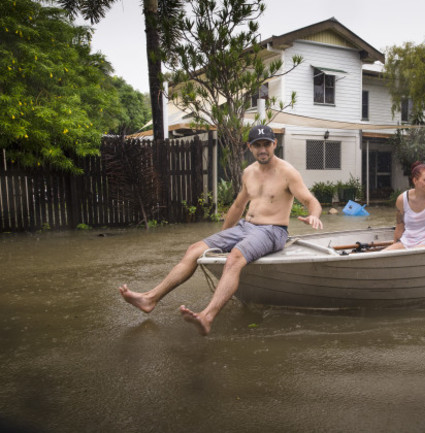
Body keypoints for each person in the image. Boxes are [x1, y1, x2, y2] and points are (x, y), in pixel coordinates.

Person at [118, 124, 323, 335]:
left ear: (274, 144)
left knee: (235, 257)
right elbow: (237, 206)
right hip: (246, 226)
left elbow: (310, 200)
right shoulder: (248, 173)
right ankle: (149, 298)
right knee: (195, 249)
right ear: (249, 147)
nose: (263, 150)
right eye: (257, 145)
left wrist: (314, 216)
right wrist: (224, 236)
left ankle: (207, 316)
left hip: (272, 230)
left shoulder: (288, 173)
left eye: (266, 144)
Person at [383, 161, 425, 250]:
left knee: (415, 251)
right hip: (406, 242)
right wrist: (394, 247)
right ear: (415, 180)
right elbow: (399, 227)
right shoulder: (401, 199)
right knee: (383, 254)